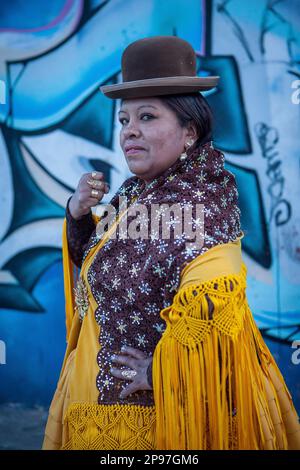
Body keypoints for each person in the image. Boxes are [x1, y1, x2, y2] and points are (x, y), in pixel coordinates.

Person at [42, 36, 300, 450]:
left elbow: (219, 316)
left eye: (146, 117)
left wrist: (162, 373)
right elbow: (103, 267)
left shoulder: (203, 200)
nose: (129, 132)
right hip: (99, 406)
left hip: (158, 423)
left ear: (189, 131)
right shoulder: (134, 193)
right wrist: (76, 213)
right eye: (124, 120)